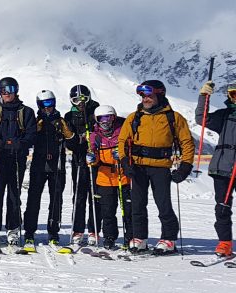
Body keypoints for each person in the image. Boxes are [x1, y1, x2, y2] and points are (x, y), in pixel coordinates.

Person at [117, 80, 195, 255]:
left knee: (163, 204)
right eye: (143, 96)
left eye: (149, 95)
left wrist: (185, 166)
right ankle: (140, 238)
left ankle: (169, 239)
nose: (145, 99)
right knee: (137, 204)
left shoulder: (174, 118)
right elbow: (122, 141)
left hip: (161, 167)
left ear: (160, 94)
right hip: (137, 166)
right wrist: (125, 161)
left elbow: (187, 143)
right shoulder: (134, 117)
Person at [0, 76, 35, 250]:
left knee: (14, 195)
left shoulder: (26, 112)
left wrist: (17, 144)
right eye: (4, 91)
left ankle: (13, 228)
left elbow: (31, 136)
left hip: (16, 159)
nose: (7, 94)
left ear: (16, 91)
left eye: (11, 90)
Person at [23, 90, 74, 251]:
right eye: (45, 104)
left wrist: (68, 133)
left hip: (57, 166)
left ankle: (53, 233)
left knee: (56, 200)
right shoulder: (35, 120)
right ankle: (29, 233)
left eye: (51, 103)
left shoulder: (60, 120)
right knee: (33, 199)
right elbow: (27, 140)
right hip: (39, 164)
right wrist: (34, 131)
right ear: (39, 104)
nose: (48, 107)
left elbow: (72, 142)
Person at [196, 80, 236, 258]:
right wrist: (204, 96)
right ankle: (225, 243)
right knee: (222, 207)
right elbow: (201, 118)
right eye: (233, 95)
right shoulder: (224, 115)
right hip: (222, 168)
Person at [87, 105, 130, 250]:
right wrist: (92, 158)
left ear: (114, 117)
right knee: (108, 211)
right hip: (105, 177)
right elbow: (93, 154)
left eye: (108, 118)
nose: (105, 122)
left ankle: (130, 236)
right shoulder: (96, 136)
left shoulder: (124, 131)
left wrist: (124, 155)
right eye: (101, 119)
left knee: (128, 209)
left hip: (123, 175)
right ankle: (109, 237)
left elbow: (133, 148)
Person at [64, 84, 99, 248]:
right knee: (79, 195)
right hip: (79, 158)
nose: (80, 102)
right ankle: (77, 230)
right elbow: (68, 141)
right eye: (76, 100)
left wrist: (91, 137)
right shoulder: (69, 116)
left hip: (95, 160)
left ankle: (94, 230)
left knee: (95, 195)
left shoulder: (96, 111)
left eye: (83, 99)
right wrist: (75, 140)